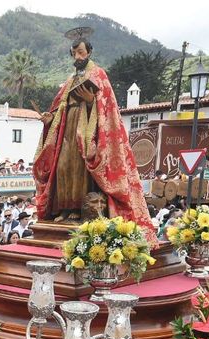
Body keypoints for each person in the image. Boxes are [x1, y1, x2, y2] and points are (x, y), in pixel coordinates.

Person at [32, 37, 149, 225]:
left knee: (79, 168)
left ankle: (78, 209)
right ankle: (63, 208)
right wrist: (49, 119)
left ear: (89, 52)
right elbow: (60, 107)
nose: (77, 56)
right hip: (67, 126)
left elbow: (107, 105)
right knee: (63, 166)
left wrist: (89, 101)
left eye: (81, 52)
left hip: (86, 127)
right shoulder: (70, 80)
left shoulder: (98, 74)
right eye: (74, 53)